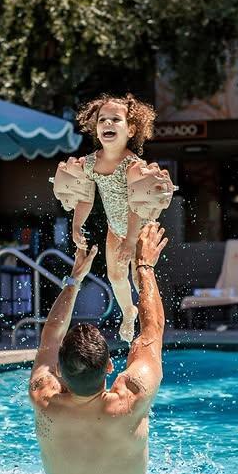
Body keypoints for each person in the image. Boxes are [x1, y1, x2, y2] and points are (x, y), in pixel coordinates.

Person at [28, 223, 169, 474]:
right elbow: (151, 331)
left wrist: (74, 279)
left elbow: (49, 339)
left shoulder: (43, 397)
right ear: (108, 367)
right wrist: (144, 266)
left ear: (60, 372)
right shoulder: (131, 400)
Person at [50, 94, 174, 343]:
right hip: (116, 229)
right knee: (116, 276)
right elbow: (86, 198)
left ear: (130, 129)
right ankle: (129, 312)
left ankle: (150, 323)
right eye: (102, 120)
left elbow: (134, 207)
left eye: (115, 119)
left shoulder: (133, 166)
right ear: (95, 129)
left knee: (140, 276)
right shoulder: (91, 163)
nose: (108, 123)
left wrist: (131, 240)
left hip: (138, 228)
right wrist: (76, 225)